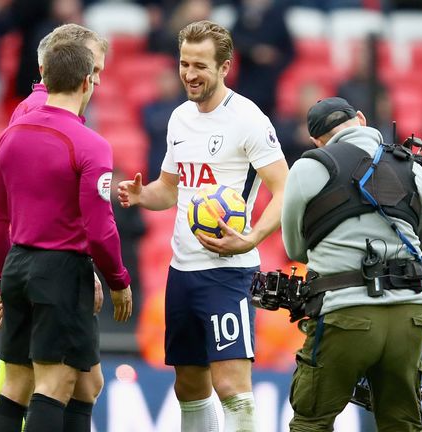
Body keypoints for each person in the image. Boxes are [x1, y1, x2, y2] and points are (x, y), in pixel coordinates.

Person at [118, 20, 288, 431]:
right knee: (189, 387)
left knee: (233, 387)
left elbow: (285, 189)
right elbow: (171, 190)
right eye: (184, 64)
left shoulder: (248, 118)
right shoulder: (178, 119)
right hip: (182, 271)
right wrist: (143, 195)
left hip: (228, 273)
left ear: (225, 66)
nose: (190, 75)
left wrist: (251, 237)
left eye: (200, 66)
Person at [0, 41, 132, 432]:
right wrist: (118, 280)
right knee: (54, 383)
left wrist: (0, 282)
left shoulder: (10, 135)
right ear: (87, 82)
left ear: (44, 79)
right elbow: (100, 228)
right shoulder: (91, 145)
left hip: (18, 264)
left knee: (17, 385)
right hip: (61, 270)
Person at [281, 97, 422, 430]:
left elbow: (296, 248)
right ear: (360, 118)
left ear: (316, 140)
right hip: (409, 315)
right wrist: (402, 282)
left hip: (344, 316)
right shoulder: (411, 167)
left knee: (312, 421)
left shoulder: (309, 166)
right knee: (403, 423)